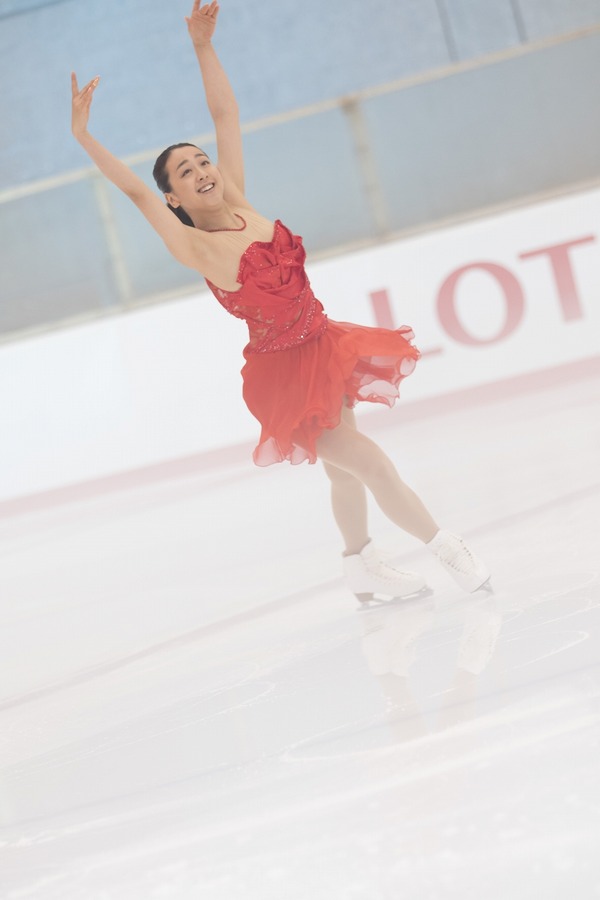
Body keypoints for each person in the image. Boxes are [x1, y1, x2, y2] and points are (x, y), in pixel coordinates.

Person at [71, 0, 490, 604]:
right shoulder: (196, 246)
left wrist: (203, 46)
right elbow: (135, 189)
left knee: (344, 469)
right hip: (285, 378)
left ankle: (359, 565)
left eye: (201, 161)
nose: (201, 171)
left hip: (325, 345)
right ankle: (448, 548)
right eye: (184, 174)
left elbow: (226, 112)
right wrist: (85, 135)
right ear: (175, 198)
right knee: (367, 462)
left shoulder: (240, 200)